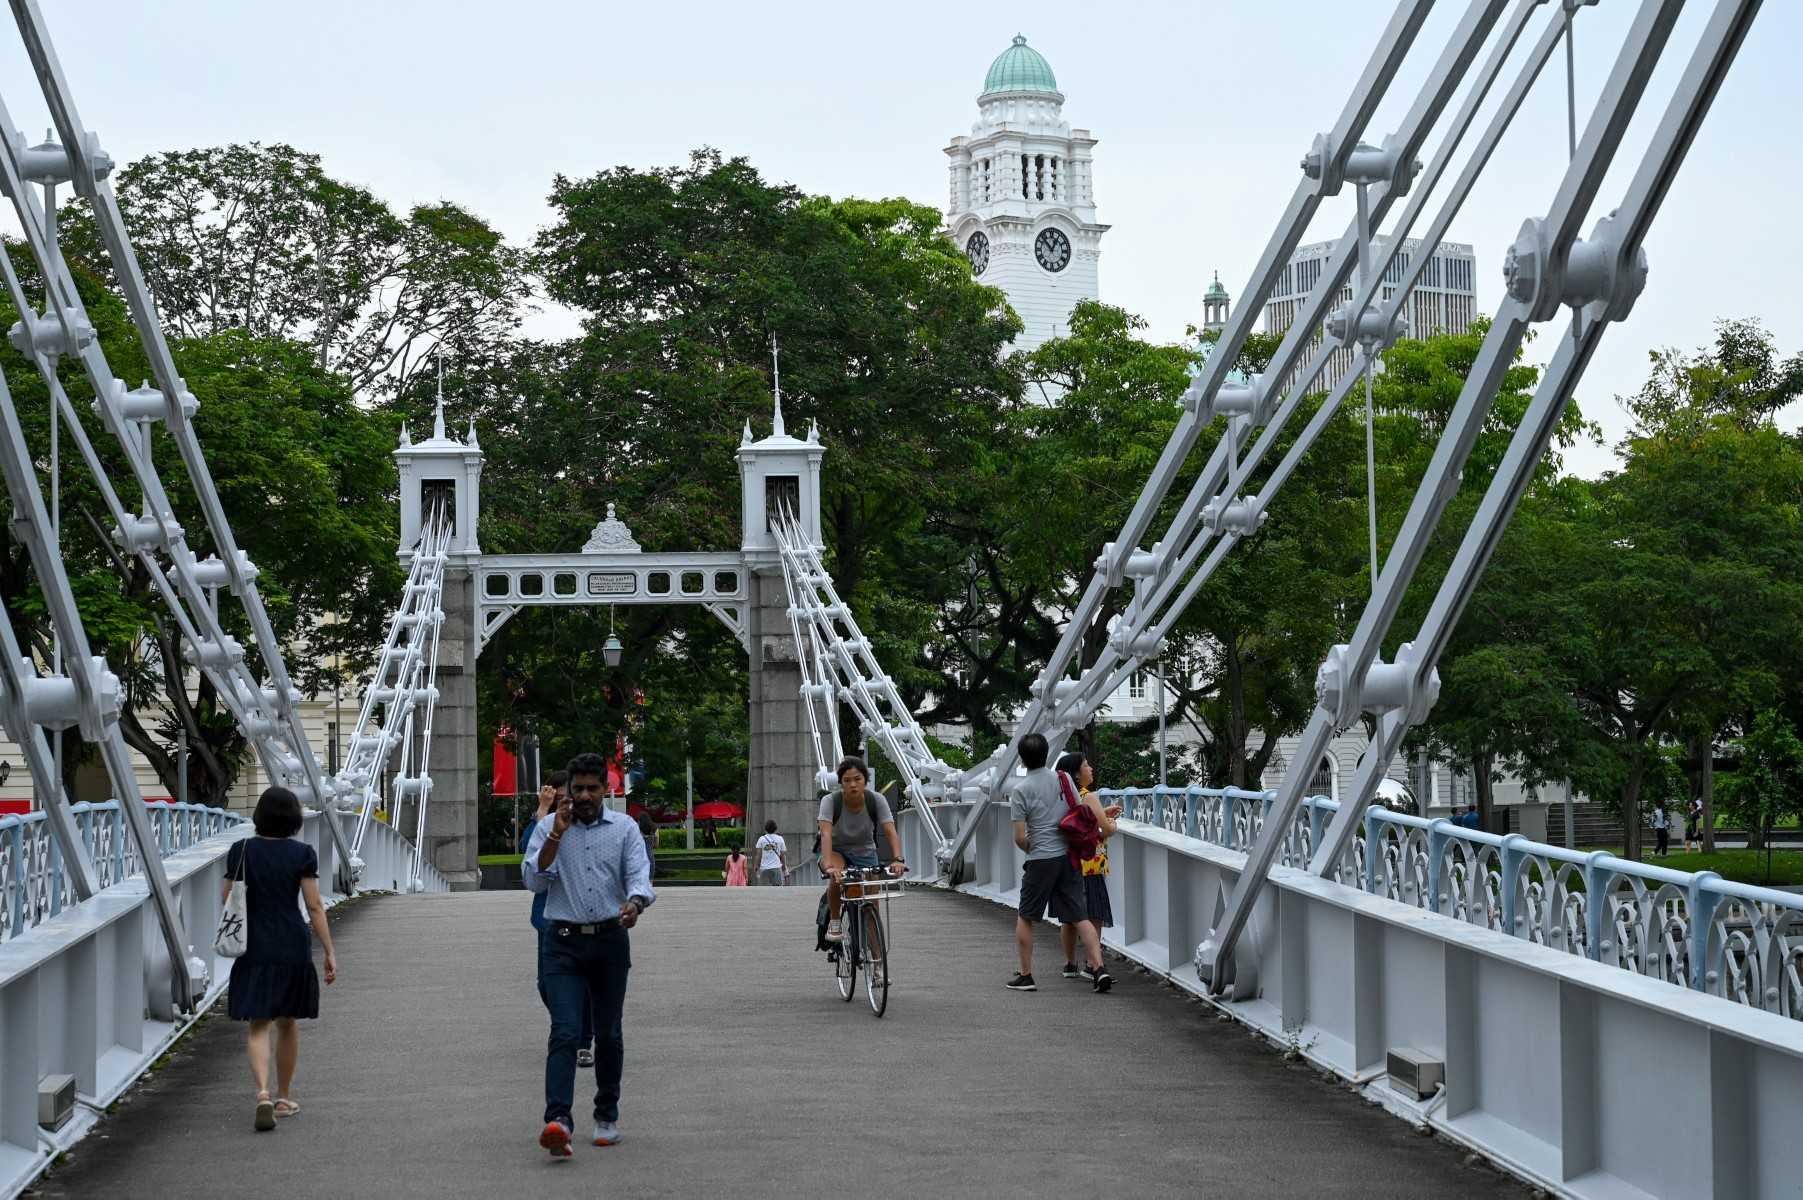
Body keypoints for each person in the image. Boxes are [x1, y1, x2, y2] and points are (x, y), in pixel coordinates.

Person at [523, 751, 655, 1157]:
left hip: (610, 940)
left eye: (591, 788)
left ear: (606, 789)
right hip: (562, 943)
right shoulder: (549, 827)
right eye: (576, 788)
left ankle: (606, 1116)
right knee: (564, 1030)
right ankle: (558, 1120)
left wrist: (634, 904)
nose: (583, 795)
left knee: (609, 1033)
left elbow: (639, 877)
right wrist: (557, 834)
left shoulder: (625, 828)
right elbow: (533, 880)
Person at [221, 786, 338, 1132]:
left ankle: (261, 1093)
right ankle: (284, 1098)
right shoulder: (302, 853)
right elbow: (314, 906)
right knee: (287, 1023)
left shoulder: (241, 851)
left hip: (254, 944)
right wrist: (329, 951)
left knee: (259, 1023)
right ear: (293, 819)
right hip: (291, 942)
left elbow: (228, 897)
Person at [1006, 733, 1112, 994]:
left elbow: (1020, 837)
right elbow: (1079, 812)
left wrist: (1033, 846)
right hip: (1068, 856)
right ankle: (1098, 968)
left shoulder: (1020, 790)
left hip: (1041, 859)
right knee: (1080, 915)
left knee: (1026, 916)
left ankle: (1026, 975)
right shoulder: (1063, 778)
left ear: (1022, 759)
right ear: (1047, 755)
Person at [521, 772, 593, 1069]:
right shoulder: (547, 825)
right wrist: (542, 809)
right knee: (546, 984)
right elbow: (526, 851)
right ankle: (569, 1022)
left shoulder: (587, 828)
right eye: (561, 796)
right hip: (547, 917)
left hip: (581, 915)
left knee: (585, 982)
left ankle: (582, 1040)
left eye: (570, 796)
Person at [818, 757, 906, 943]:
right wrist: (828, 866)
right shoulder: (830, 801)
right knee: (837, 876)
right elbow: (825, 834)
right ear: (841, 783)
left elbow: (890, 831)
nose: (853, 785)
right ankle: (835, 922)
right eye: (847, 780)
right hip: (837, 851)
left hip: (865, 852)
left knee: (872, 907)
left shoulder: (876, 800)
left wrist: (898, 859)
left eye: (857, 779)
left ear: (865, 780)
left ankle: (877, 965)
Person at [1055, 752, 1120, 979]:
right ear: (1076, 772)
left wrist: (1102, 814)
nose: (1090, 768)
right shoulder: (1089, 796)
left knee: (1070, 917)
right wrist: (1111, 822)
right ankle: (1093, 964)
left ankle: (1070, 964)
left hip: (1069, 861)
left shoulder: (1061, 797)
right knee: (1094, 913)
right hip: (1090, 863)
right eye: (1086, 765)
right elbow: (1104, 831)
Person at [753, 818, 787, 886]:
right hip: (776, 868)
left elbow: (758, 855)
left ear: (766, 828)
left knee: (764, 891)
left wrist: (756, 865)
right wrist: (784, 866)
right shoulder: (780, 839)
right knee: (777, 889)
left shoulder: (761, 839)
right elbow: (783, 855)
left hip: (764, 868)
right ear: (775, 828)